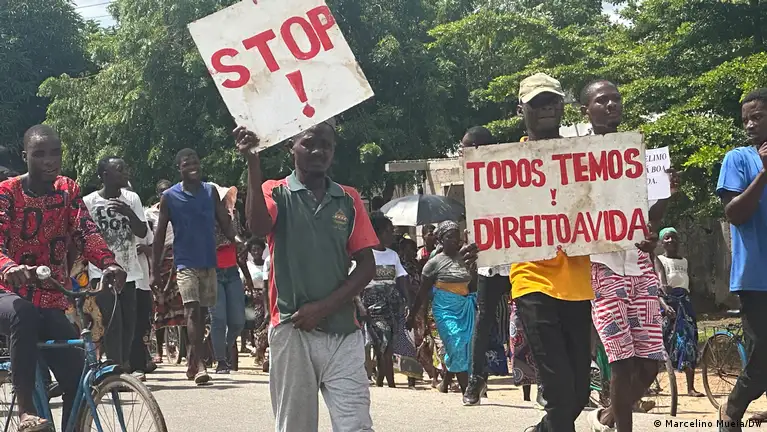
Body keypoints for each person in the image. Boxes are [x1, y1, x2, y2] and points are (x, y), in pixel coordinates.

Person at [238, 121, 379, 432]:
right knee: (296, 426)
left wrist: (323, 308)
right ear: (291, 147)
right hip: (292, 328)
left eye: (326, 145)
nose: (318, 151)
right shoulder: (275, 191)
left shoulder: (348, 199)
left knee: (357, 426)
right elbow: (257, 227)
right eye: (309, 143)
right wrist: (253, 162)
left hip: (344, 332)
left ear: (334, 151)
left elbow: (367, 266)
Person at [0, 125, 126, 431]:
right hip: (7, 293)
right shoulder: (7, 193)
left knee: (78, 378)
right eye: (39, 154)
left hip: (50, 297)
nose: (49, 161)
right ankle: (26, 410)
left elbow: (85, 230)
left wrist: (108, 263)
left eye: (55, 153)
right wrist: (9, 267)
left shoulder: (67, 189)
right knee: (24, 314)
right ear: (25, 156)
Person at [579, 79, 680, 432]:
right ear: (586, 110)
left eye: (615, 99)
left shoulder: (638, 154)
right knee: (621, 363)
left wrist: (666, 193)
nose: (611, 105)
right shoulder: (576, 157)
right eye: (602, 100)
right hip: (603, 268)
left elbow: (649, 220)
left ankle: (607, 417)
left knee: (650, 364)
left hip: (640, 268)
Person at [507, 74, 593, 432]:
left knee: (579, 391)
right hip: (533, 280)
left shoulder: (584, 156)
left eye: (552, 100)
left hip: (578, 282)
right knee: (559, 390)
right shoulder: (503, 164)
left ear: (562, 106)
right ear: (521, 110)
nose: (546, 107)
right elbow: (492, 220)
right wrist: (477, 244)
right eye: (537, 102)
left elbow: (609, 209)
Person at [150, 149, 243, 386]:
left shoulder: (210, 191)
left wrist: (237, 240)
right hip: (185, 262)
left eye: (195, 162)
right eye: (187, 164)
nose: (192, 167)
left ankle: (192, 358)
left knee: (202, 315)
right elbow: (159, 236)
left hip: (209, 261)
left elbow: (224, 221)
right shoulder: (169, 197)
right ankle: (201, 364)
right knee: (191, 311)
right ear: (179, 169)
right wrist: (154, 271)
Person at [716, 88, 767, 432]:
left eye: (757, 117)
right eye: (745, 119)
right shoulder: (738, 159)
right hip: (756, 278)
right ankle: (731, 411)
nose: (749, 125)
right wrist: (763, 173)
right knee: (762, 359)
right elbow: (734, 214)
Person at [460, 126, 514, 405]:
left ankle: (541, 380)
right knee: (483, 320)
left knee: (530, 318)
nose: (462, 152)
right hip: (489, 262)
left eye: (467, 147)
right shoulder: (471, 178)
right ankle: (476, 379)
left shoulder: (509, 172)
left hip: (516, 257)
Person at [84, 156, 148, 373]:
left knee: (129, 323)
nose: (125, 172)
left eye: (125, 168)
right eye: (119, 169)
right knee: (113, 322)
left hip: (129, 272)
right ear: (105, 175)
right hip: (102, 272)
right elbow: (82, 235)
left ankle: (123, 364)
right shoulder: (89, 202)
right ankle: (115, 369)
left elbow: (142, 232)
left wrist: (128, 212)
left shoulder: (132, 198)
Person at [409, 221, 477, 394]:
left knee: (465, 347)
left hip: (465, 308)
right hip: (444, 309)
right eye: (449, 237)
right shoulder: (434, 263)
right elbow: (422, 292)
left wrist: (473, 268)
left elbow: (474, 286)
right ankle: (467, 391)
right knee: (456, 343)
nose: (454, 240)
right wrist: (413, 315)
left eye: (457, 236)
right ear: (440, 239)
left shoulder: (466, 258)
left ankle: (445, 383)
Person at [361, 212, 420, 389]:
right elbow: (356, 283)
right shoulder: (364, 255)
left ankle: (382, 381)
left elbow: (402, 280)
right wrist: (360, 307)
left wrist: (409, 304)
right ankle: (391, 385)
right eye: (388, 231)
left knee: (390, 343)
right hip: (373, 304)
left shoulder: (392, 255)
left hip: (393, 304)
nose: (392, 235)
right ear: (377, 232)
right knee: (383, 341)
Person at [655, 227, 703, 397]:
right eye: (667, 238)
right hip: (667, 305)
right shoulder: (659, 260)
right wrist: (664, 305)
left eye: (674, 237)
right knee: (661, 344)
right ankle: (648, 382)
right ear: (661, 242)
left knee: (689, 342)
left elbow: (688, 286)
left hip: (685, 306)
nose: (671, 241)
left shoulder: (684, 262)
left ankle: (690, 388)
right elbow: (656, 288)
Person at [209, 183, 249, 374]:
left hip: (232, 271)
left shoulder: (234, 214)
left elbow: (237, 238)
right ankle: (221, 361)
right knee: (218, 318)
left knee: (238, 321)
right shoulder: (207, 217)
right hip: (213, 271)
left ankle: (222, 345)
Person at [145, 180, 186, 364]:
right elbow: (150, 238)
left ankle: (186, 348)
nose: (165, 194)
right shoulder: (150, 213)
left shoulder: (180, 208)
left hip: (177, 255)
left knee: (182, 303)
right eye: (162, 192)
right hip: (158, 258)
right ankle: (159, 350)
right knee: (159, 305)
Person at [398, 236, 437, 383]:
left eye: (415, 249)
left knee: (421, 340)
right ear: (403, 250)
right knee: (411, 340)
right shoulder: (400, 266)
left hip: (420, 305)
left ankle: (425, 373)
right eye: (410, 249)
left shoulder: (417, 265)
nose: (414, 252)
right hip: (407, 306)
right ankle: (412, 376)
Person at [129, 218, 155, 380]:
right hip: (122, 281)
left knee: (141, 325)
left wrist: (144, 248)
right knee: (124, 325)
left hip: (142, 282)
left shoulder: (141, 224)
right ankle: (128, 364)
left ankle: (139, 364)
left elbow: (153, 250)